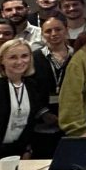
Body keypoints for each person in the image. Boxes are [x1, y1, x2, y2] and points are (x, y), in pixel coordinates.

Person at [29, 13, 73, 158]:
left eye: (58, 29)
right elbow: (30, 89)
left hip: (72, 122)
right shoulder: (33, 58)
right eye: (48, 31)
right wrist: (44, 113)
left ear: (66, 30)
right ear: (42, 34)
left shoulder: (78, 56)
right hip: (42, 124)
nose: (53, 34)